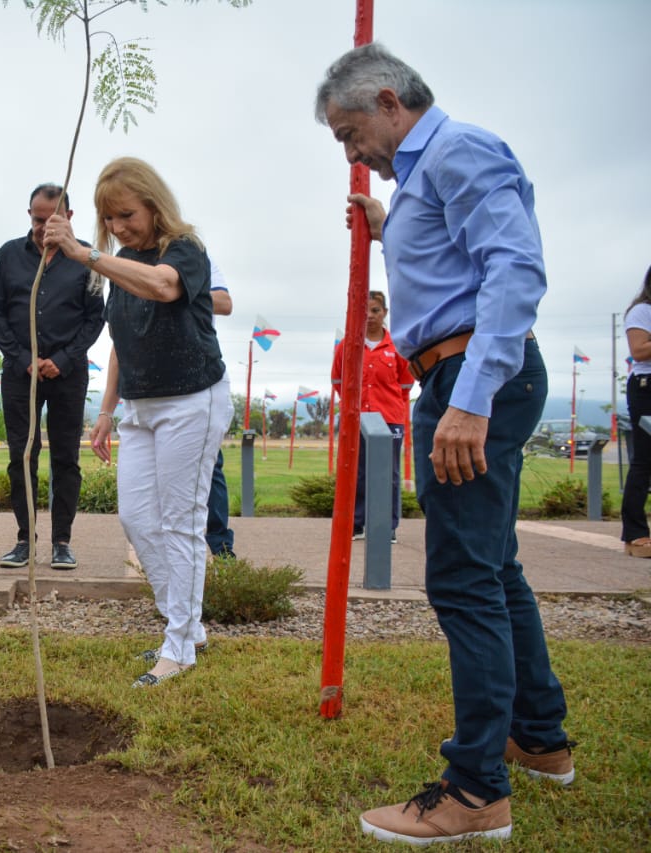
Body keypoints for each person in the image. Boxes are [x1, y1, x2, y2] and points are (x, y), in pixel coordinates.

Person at [316, 44, 572, 844]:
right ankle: (539, 736)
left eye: (349, 133)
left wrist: (470, 399)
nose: (352, 154)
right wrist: (389, 225)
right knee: (494, 567)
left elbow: (513, 268)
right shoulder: (423, 177)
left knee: (463, 578)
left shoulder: (459, 150)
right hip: (458, 371)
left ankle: (476, 790)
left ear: (389, 102)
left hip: (471, 376)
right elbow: (451, 262)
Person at [45, 157, 232, 689]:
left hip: (192, 400)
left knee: (181, 522)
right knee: (136, 517)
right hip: (140, 406)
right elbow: (121, 342)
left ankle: (180, 645)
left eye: (126, 214)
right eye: (109, 218)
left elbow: (163, 287)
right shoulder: (122, 260)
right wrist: (107, 411)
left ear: (153, 205)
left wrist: (86, 253)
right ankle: (186, 627)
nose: (118, 226)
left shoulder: (185, 249)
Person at [0, 183, 105, 571]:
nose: (42, 227)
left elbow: (95, 318)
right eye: (37, 219)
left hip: (68, 374)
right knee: (22, 456)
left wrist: (64, 359)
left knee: (66, 457)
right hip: (21, 374)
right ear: (29, 215)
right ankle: (25, 539)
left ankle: (62, 542)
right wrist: (23, 359)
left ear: (68, 217)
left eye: (50, 220)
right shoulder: (8, 255)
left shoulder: (86, 257)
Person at [330, 289, 413, 543]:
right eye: (364, 311)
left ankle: (386, 527)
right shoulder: (347, 345)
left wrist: (389, 405)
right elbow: (338, 380)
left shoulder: (397, 346)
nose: (369, 316)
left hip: (389, 419)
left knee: (389, 475)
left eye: (375, 310)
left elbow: (406, 384)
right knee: (356, 472)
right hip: (356, 420)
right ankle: (356, 524)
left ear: (385, 313)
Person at [206, 257, 237, 559]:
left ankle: (220, 546)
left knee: (210, 464)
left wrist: (173, 290)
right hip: (149, 384)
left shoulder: (200, 258)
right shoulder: (133, 260)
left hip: (202, 379)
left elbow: (224, 303)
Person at [620, 265, 651, 558]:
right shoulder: (642, 311)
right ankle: (635, 534)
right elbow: (639, 350)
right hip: (646, 387)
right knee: (644, 460)